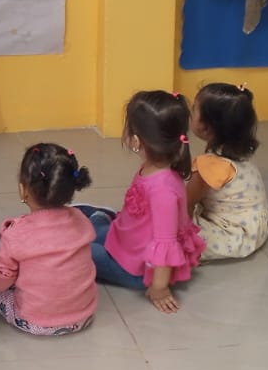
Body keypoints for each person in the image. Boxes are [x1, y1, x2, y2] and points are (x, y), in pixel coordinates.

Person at [85, 91, 206, 314]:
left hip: (135, 269)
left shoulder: (163, 191)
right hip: (124, 239)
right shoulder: (155, 167)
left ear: (136, 141)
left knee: (75, 252)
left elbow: (165, 242)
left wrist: (159, 288)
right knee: (90, 230)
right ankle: (98, 220)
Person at [0, 143, 97, 335]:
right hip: (82, 316)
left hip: (36, 322)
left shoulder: (16, 234)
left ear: (23, 190)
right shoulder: (81, 219)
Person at [186, 83, 268, 259]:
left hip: (233, 235)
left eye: (194, 109)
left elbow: (185, 204)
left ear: (206, 127)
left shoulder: (209, 165)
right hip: (256, 227)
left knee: (161, 224)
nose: (190, 113)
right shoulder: (238, 150)